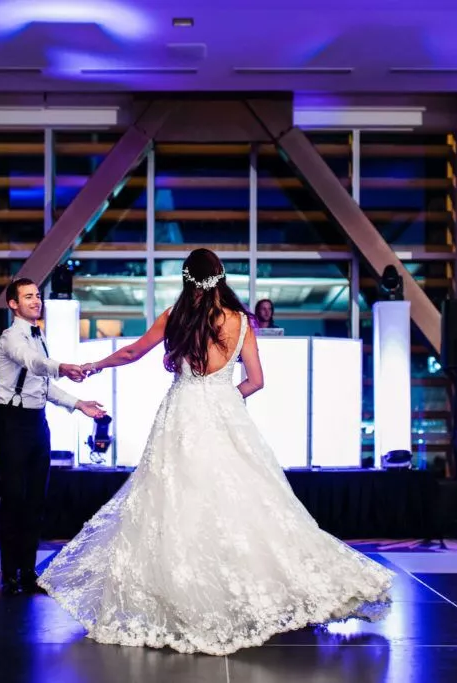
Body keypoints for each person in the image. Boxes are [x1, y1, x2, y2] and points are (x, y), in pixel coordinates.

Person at [38, 249, 393, 655]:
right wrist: (227, 396)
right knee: (245, 502)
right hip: (225, 415)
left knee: (175, 504)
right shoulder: (241, 322)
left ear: (187, 279)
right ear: (221, 277)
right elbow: (256, 381)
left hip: (183, 414)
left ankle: (185, 596)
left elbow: (133, 352)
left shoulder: (176, 317)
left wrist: (94, 366)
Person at [0, 278, 106, 597]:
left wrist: (78, 403)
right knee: (14, 499)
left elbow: (42, 383)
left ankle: (28, 572)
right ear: (13, 304)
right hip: (12, 422)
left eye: (37, 295)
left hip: (36, 422)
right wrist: (64, 367)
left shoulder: (36, 335)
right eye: (28, 297)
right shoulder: (11, 338)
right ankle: (10, 572)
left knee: (35, 501)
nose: (36, 300)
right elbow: (35, 363)